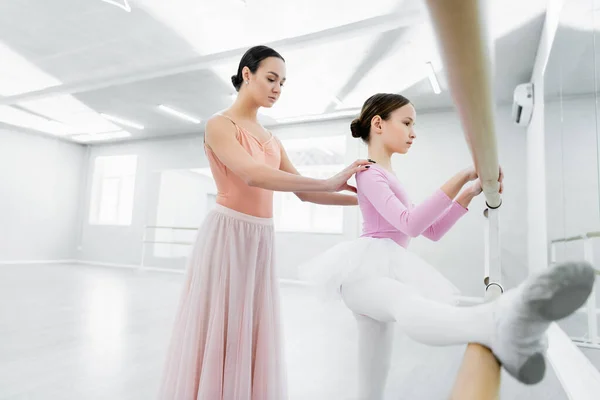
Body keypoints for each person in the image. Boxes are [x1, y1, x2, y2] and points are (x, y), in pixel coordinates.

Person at [299, 93, 595, 399]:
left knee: (374, 371)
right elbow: (410, 223)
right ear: (378, 124)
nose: (413, 132)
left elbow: (432, 230)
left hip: (383, 268)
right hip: (364, 272)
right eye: (407, 122)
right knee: (406, 303)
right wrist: (462, 175)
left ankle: (496, 322)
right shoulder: (368, 173)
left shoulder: (388, 175)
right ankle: (493, 322)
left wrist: (468, 192)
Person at [157, 45, 371, 400]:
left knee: (250, 326)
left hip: (260, 237)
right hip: (227, 233)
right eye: (271, 78)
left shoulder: (272, 139)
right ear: (247, 74)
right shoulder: (218, 124)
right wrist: (330, 180)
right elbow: (252, 175)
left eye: (282, 83)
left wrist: (364, 199)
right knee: (221, 325)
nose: (277, 89)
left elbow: (305, 193)